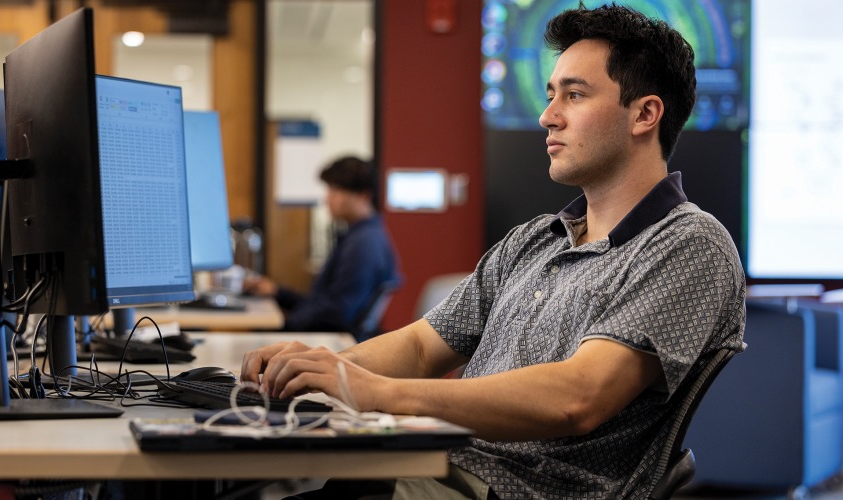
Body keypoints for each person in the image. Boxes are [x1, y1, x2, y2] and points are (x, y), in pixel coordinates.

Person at [240, 5, 746, 499]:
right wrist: (316, 370)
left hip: (517, 488)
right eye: (551, 95)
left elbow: (579, 396)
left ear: (645, 114)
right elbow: (420, 348)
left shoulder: (689, 244)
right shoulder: (533, 241)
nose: (548, 116)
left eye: (574, 95)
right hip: (436, 467)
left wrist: (373, 391)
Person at [244, 156, 401, 337]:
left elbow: (336, 314)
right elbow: (323, 303)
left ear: (363, 196)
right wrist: (278, 292)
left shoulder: (363, 245)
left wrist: (285, 327)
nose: (327, 199)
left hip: (332, 343)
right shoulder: (361, 236)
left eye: (335, 191)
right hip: (326, 335)